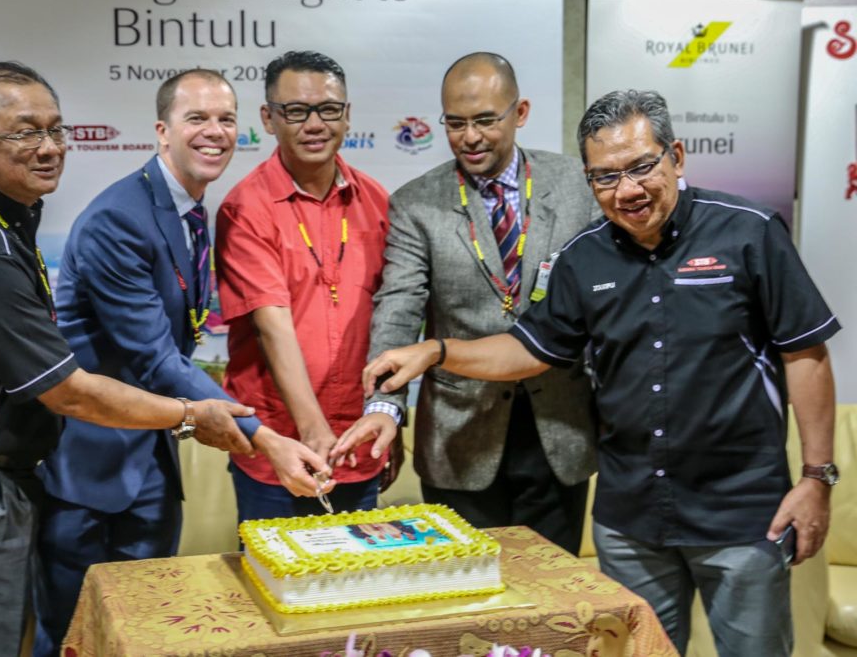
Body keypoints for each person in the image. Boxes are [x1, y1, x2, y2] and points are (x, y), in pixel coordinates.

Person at [354, 89, 840, 657]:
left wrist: (815, 478)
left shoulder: (749, 231)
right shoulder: (584, 257)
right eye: (605, 177)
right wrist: (437, 351)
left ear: (676, 158)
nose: (627, 191)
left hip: (742, 517)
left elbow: (805, 355)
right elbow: (530, 349)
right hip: (631, 523)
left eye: (641, 167)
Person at [0, 62, 263, 657]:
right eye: (25, 133)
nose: (50, 148)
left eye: (56, 130)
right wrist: (192, 415)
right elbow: (71, 393)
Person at [33, 69, 331, 656]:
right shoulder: (120, 217)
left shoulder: (190, 211)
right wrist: (265, 437)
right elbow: (154, 357)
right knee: (74, 638)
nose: (214, 132)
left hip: (151, 460)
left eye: (225, 119)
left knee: (146, 634)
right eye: (197, 118)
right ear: (162, 131)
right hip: (86, 471)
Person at [330, 52, 597, 554]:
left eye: (484, 121)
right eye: (455, 123)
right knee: (467, 597)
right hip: (459, 436)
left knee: (555, 595)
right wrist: (386, 404)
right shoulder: (417, 203)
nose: (469, 137)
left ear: (519, 113)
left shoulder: (575, 185)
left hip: (559, 431)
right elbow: (399, 307)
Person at [216, 50, 390, 522]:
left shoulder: (376, 201)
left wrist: (391, 416)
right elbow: (272, 326)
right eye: (296, 111)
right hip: (281, 452)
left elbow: (392, 322)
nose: (315, 124)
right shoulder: (245, 208)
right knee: (276, 590)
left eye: (329, 109)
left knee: (359, 589)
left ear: (347, 115)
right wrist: (314, 432)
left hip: (358, 447)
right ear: (269, 119)